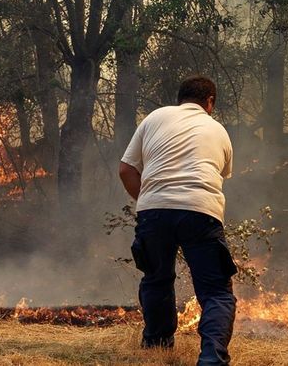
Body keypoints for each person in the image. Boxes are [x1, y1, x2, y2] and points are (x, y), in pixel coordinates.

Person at [118, 75, 236, 366]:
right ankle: (211, 359)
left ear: (180, 98)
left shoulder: (155, 118)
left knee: (157, 278)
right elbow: (220, 174)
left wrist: (149, 203)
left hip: (154, 210)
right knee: (216, 292)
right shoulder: (217, 129)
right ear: (210, 102)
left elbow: (126, 170)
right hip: (200, 210)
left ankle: (157, 347)